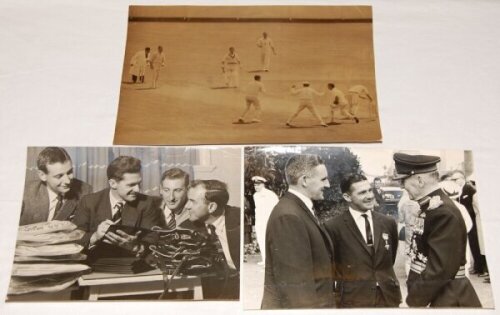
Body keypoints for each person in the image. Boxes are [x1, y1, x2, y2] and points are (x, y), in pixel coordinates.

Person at [393, 153, 481, 307]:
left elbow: (440, 269)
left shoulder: (443, 212)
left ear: (419, 180)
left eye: (403, 180)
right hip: (438, 295)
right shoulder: (431, 206)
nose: (401, 186)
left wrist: (414, 302)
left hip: (447, 298)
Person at [261, 154, 334, 309]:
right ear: (305, 180)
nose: (328, 184)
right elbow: (297, 290)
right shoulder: (289, 216)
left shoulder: (297, 209)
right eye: (323, 179)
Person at [325, 174, 401, 308]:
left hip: (387, 298)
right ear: (347, 197)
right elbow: (332, 268)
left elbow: (390, 258)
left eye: (370, 190)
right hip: (354, 300)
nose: (370, 196)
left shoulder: (388, 222)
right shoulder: (333, 227)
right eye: (362, 192)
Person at [72, 156, 164, 257]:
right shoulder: (89, 202)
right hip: (95, 265)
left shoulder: (146, 203)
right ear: (113, 183)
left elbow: (152, 238)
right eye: (131, 185)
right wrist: (95, 236)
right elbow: (75, 238)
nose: (137, 190)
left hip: (130, 266)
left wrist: (136, 247)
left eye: (139, 184)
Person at [184, 179, 240, 300]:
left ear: (211, 207)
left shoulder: (239, 221)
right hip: (214, 290)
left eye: (192, 201)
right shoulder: (188, 227)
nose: (187, 206)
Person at [20, 147, 93, 225]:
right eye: (59, 176)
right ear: (42, 175)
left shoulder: (85, 191)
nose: (67, 181)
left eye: (69, 172)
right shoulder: (25, 193)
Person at [449, 170, 484, 276]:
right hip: (463, 220)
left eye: (455, 179)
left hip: (472, 220)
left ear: (462, 179)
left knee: (476, 244)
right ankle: (476, 267)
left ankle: (481, 268)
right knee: (470, 245)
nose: (454, 181)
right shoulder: (456, 190)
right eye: (452, 180)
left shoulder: (469, 189)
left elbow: (475, 206)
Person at [251, 175, 279, 266]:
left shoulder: (270, 194)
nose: (256, 187)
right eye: (255, 185)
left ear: (263, 184)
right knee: (261, 240)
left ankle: (275, 260)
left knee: (272, 240)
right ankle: (265, 260)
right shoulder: (255, 195)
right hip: (260, 222)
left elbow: (276, 208)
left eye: (258, 185)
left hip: (269, 220)